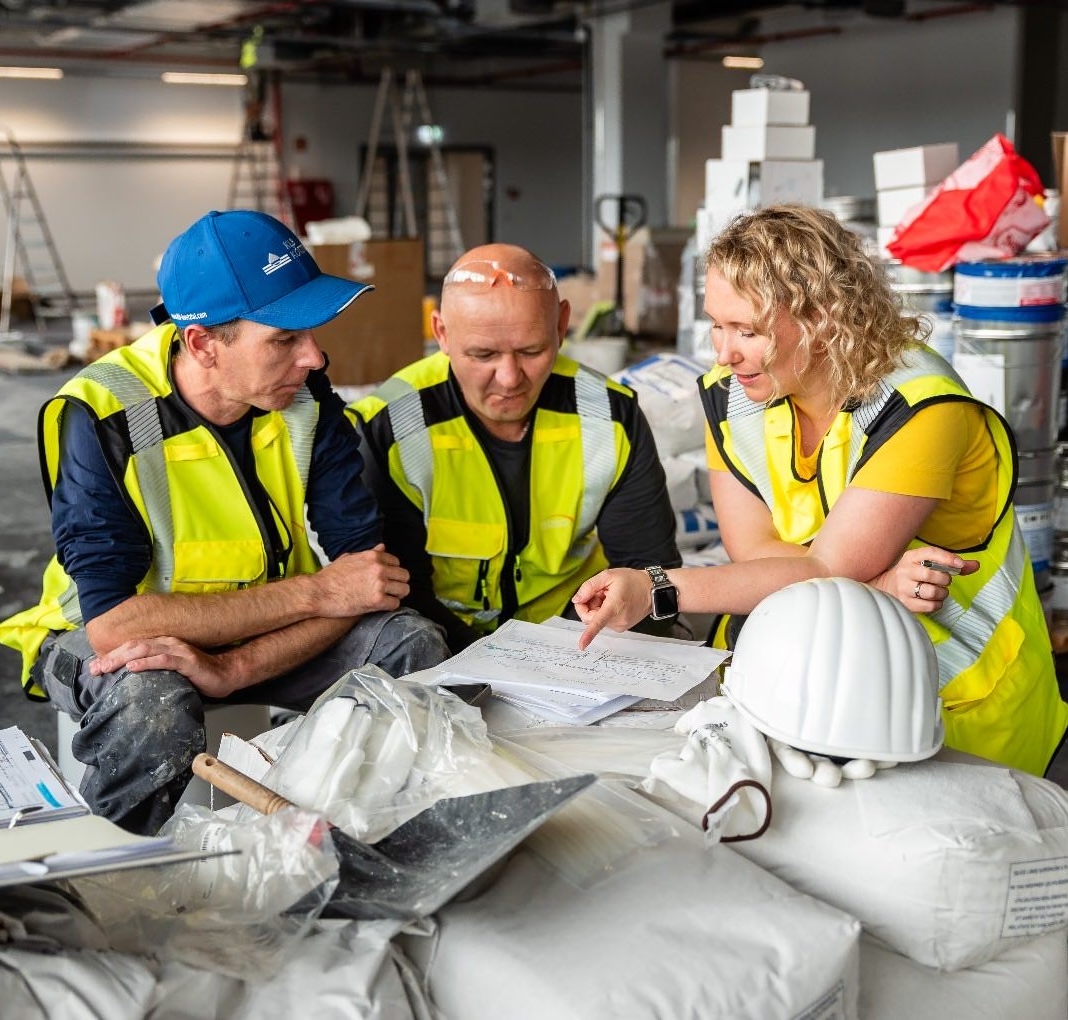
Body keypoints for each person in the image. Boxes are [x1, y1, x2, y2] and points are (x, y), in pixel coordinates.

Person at [573, 204, 1068, 777]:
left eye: (747, 330)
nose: (724, 352)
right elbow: (754, 554)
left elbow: (827, 566)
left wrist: (657, 587)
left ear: (821, 316)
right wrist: (873, 581)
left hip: (953, 710)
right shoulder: (732, 395)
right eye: (717, 323)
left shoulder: (922, 409)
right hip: (810, 692)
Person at [0, 209, 449, 834]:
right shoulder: (101, 414)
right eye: (285, 338)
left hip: (263, 636)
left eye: (312, 331)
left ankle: (368, 835)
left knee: (409, 641)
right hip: (109, 645)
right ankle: (123, 879)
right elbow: (115, 627)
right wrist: (318, 592)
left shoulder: (305, 401)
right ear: (204, 343)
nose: (315, 358)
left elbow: (368, 582)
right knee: (151, 701)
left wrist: (236, 667)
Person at [349, 243, 685, 654]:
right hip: (440, 648)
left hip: (575, 644)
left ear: (562, 325)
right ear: (441, 334)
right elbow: (397, 595)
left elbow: (647, 572)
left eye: (532, 351)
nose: (509, 379)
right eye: (483, 354)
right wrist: (486, 668)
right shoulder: (389, 426)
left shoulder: (609, 416)